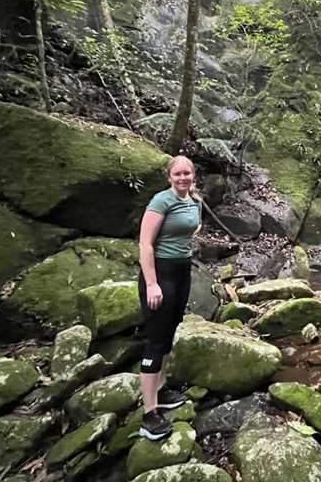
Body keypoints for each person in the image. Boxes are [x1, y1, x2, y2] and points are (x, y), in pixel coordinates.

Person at [136, 155, 202, 440]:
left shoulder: (193, 201)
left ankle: (161, 389)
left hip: (182, 271)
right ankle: (149, 413)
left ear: (193, 176)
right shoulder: (161, 201)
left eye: (187, 173)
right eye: (178, 174)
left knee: (171, 329)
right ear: (169, 177)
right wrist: (152, 284)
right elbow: (145, 244)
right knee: (156, 340)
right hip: (160, 273)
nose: (183, 177)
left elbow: (192, 227)